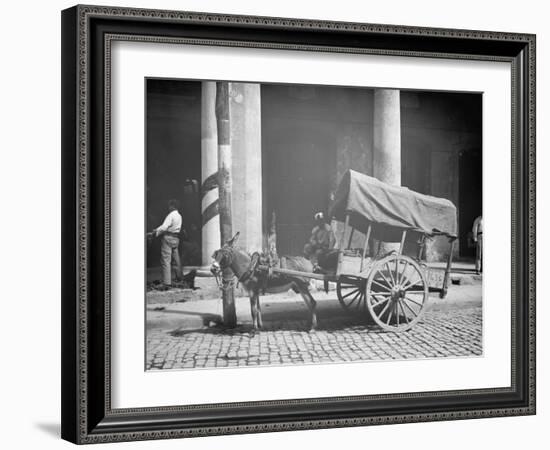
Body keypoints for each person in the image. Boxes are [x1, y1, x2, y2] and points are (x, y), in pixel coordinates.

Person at [154, 199, 183, 287]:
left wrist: (156, 231)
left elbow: (164, 227)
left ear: (172, 206)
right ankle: (180, 278)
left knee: (166, 260)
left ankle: (167, 282)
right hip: (176, 238)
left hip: (168, 237)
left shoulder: (171, 215)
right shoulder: (179, 215)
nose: (168, 207)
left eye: (169, 206)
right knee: (176, 259)